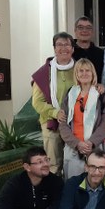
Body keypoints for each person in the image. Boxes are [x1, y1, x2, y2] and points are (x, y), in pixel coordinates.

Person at [59, 58, 105, 179]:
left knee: (97, 183)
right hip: (73, 147)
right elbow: (62, 123)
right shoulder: (70, 94)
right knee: (73, 185)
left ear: (93, 73)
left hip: (95, 146)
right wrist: (77, 144)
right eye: (80, 71)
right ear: (76, 74)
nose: (84, 73)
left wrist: (90, 143)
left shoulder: (101, 94)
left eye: (87, 70)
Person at [32, 32, 75, 175]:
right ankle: (53, 196)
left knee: (74, 162)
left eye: (67, 44)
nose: (63, 48)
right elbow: (37, 102)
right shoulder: (44, 72)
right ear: (54, 49)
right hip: (51, 123)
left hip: (75, 123)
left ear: (72, 48)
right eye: (59, 45)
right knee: (53, 164)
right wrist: (55, 113)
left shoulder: (80, 69)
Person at [73, 16, 104, 83]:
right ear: (75, 31)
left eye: (88, 28)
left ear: (92, 32)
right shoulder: (69, 52)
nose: (84, 30)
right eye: (80, 27)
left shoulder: (100, 53)